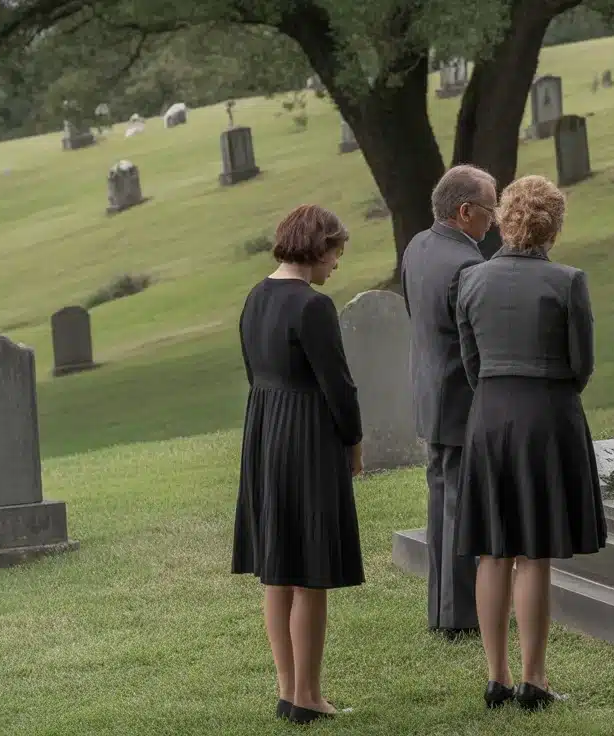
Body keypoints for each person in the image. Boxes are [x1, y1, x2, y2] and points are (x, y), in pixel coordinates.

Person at [455, 175, 607, 711]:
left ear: (504, 219)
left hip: (490, 415)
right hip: (547, 413)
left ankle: (495, 677)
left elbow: (471, 363)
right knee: (534, 553)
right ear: (554, 225)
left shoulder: (471, 281)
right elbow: (581, 364)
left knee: (493, 549)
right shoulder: (568, 282)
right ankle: (534, 680)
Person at [232, 204, 364, 725]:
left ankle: (289, 690)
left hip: (265, 430)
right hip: (307, 434)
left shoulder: (254, 297)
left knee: (278, 571)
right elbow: (339, 385)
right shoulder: (313, 306)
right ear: (318, 246)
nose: (336, 265)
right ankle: (308, 696)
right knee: (310, 571)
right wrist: (353, 441)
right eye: (336, 253)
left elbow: (253, 372)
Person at [401, 164, 497, 638]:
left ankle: (442, 610)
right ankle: (459, 617)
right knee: (459, 510)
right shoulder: (469, 267)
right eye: (488, 209)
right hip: (459, 401)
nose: (493, 220)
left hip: (428, 395)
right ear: (464, 211)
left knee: (441, 507)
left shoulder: (417, 246)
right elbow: (474, 347)